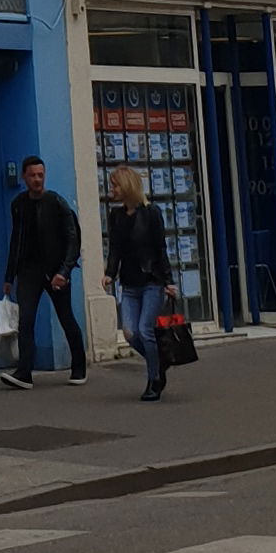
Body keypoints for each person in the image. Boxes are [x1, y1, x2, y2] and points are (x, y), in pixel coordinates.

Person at [0, 157, 86, 387]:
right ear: (24, 177)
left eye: (40, 175)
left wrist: (64, 271)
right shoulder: (18, 204)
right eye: (32, 175)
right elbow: (16, 239)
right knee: (26, 320)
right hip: (29, 271)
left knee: (66, 317)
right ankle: (24, 372)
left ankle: (79, 366)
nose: (37, 179)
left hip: (55, 270)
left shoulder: (56, 202)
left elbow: (73, 238)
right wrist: (9, 276)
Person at [102, 167, 174, 402]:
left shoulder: (151, 213)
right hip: (130, 283)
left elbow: (160, 248)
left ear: (128, 186)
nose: (112, 189)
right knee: (131, 333)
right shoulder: (116, 216)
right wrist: (110, 273)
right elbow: (115, 248)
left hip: (151, 281)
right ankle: (159, 361)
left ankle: (154, 379)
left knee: (145, 330)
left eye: (116, 185)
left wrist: (168, 281)